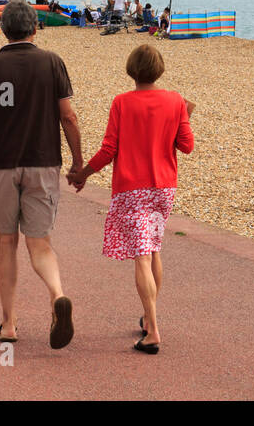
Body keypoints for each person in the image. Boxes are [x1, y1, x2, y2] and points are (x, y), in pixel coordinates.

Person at [0, 0, 83, 349]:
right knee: (40, 243)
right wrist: (78, 164)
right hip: (43, 163)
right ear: (36, 28)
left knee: (5, 242)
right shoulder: (52, 63)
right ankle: (57, 294)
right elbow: (68, 117)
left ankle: (9, 324)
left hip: (3, 165)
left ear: (1, 28)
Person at [68, 46, 193, 355]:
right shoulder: (176, 101)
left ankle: (152, 331)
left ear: (131, 70)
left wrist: (83, 173)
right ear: (160, 69)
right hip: (163, 186)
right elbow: (186, 146)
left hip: (131, 187)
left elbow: (110, 149)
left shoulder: (122, 103)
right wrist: (184, 117)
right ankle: (149, 317)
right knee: (153, 248)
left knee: (142, 256)